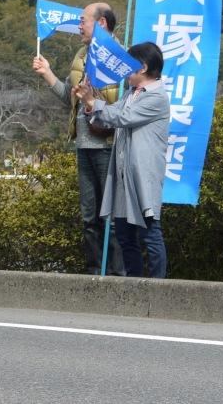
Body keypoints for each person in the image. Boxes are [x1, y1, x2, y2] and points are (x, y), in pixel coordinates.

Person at [32, 2, 125, 276]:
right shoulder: (81, 55)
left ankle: (117, 275)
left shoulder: (120, 57)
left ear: (102, 23)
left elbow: (123, 106)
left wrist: (92, 100)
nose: (79, 25)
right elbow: (69, 98)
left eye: (83, 20)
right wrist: (47, 73)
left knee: (111, 216)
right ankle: (93, 272)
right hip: (83, 144)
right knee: (89, 216)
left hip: (108, 145)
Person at [76, 41, 170, 278]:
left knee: (150, 233)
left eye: (129, 65)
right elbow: (109, 117)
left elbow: (123, 117)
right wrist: (90, 105)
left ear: (142, 67)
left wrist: (92, 102)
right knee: (125, 235)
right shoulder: (131, 93)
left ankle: (159, 287)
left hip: (142, 175)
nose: (125, 70)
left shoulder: (157, 97)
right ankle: (134, 284)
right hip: (121, 174)